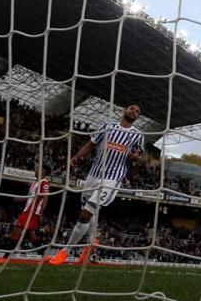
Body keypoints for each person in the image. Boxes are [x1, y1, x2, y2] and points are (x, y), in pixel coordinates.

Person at [49, 104, 145, 265]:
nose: (134, 112)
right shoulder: (107, 126)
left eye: (137, 112)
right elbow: (90, 145)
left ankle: (65, 251)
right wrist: (75, 157)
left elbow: (138, 156)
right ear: (124, 110)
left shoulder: (138, 135)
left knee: (85, 213)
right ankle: (91, 245)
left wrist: (136, 158)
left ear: (137, 117)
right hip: (93, 175)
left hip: (112, 178)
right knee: (89, 212)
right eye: (132, 109)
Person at [9, 165, 51, 250]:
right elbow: (29, 198)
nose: (35, 170)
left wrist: (40, 213)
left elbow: (46, 198)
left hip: (32, 211)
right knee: (31, 234)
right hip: (28, 210)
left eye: (37, 169)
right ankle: (43, 253)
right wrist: (17, 199)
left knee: (17, 230)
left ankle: (6, 255)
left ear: (43, 171)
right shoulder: (34, 183)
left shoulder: (44, 182)